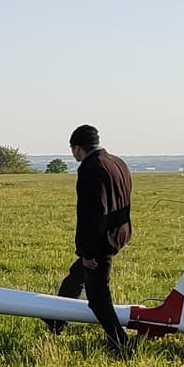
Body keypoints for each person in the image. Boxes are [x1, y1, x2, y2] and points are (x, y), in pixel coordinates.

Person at [49, 124, 134, 352]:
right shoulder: (118, 162)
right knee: (77, 276)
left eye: (72, 149)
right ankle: (55, 320)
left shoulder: (91, 168)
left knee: (97, 297)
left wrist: (88, 253)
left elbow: (92, 215)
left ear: (78, 148)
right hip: (120, 233)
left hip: (101, 241)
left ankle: (121, 344)